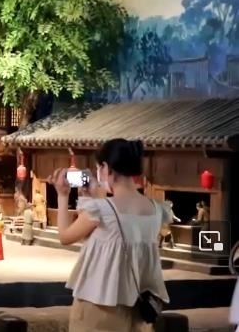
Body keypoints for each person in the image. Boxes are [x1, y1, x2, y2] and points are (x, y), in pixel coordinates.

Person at [50, 139, 170, 332]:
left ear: (106, 168)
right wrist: (90, 197)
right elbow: (104, 234)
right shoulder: (156, 210)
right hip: (137, 311)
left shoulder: (102, 209)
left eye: (99, 168)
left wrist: (63, 196)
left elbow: (65, 236)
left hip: (97, 308)